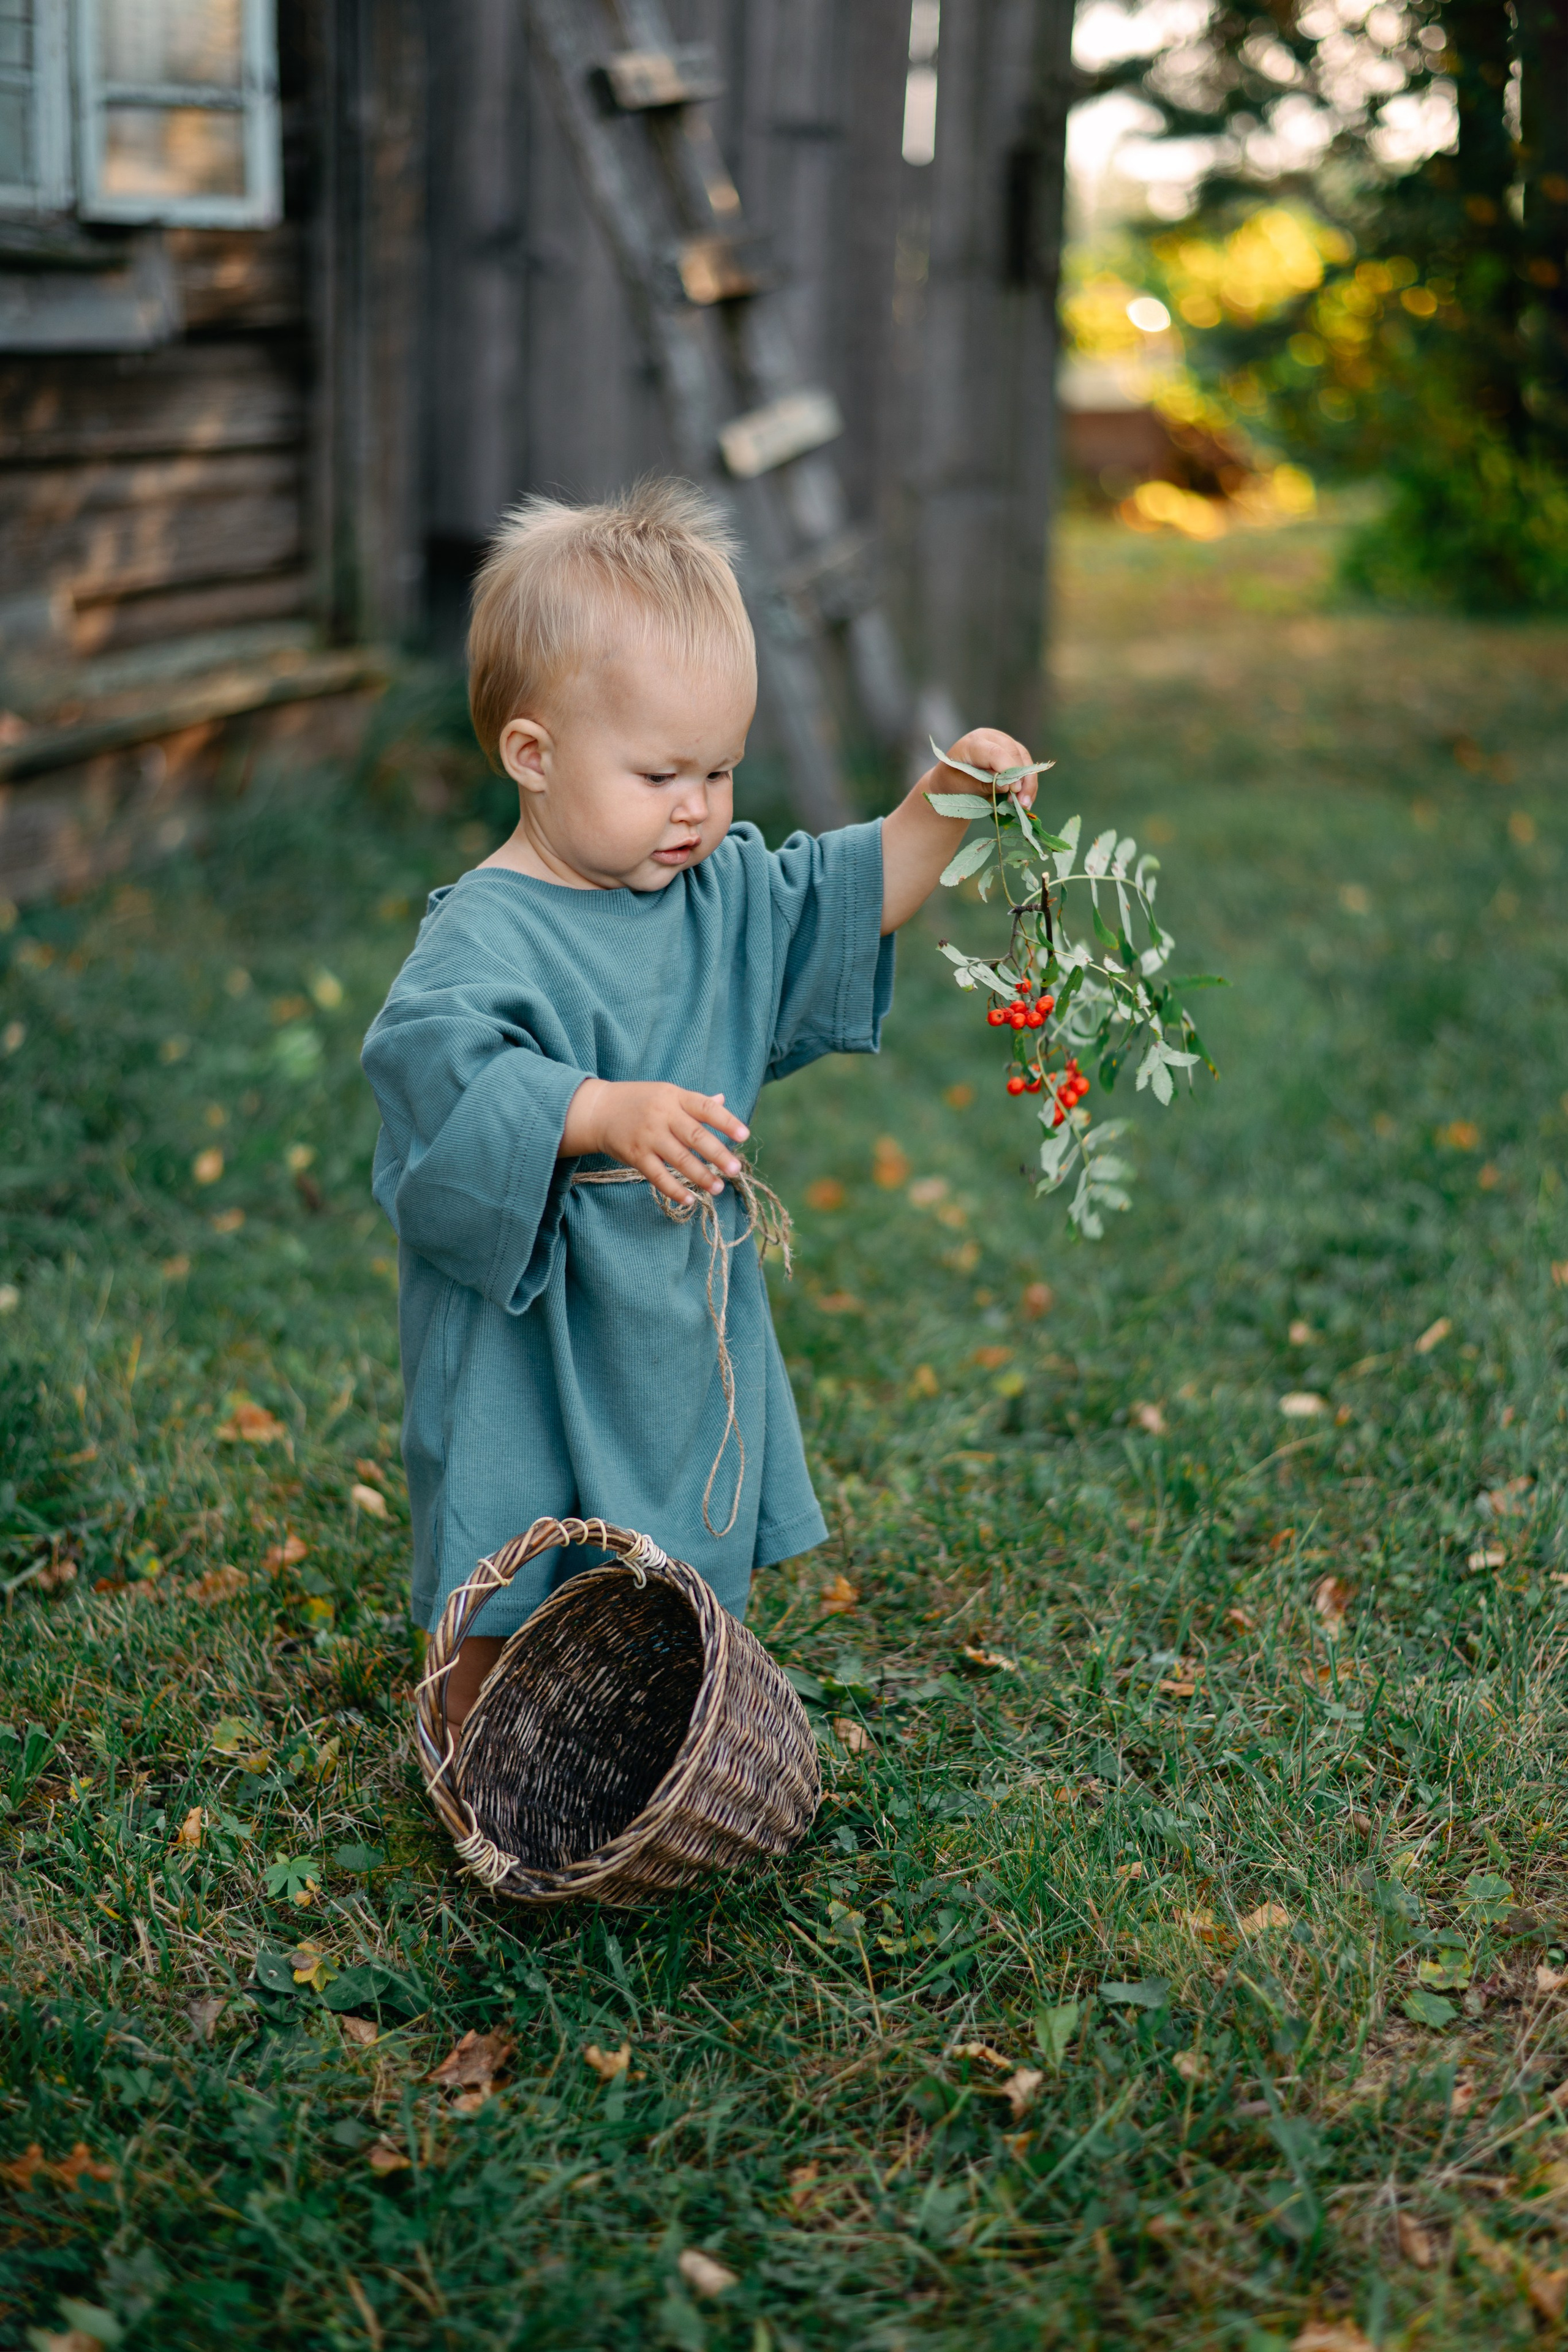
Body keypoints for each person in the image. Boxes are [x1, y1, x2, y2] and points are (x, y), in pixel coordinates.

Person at [361, 478, 1036, 1732]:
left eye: (720, 769)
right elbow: (434, 1074)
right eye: (662, 771)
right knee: (510, 1522)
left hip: (670, 1307)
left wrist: (947, 797)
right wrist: (594, 1113)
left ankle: (658, 1715)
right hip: (532, 1320)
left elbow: (843, 894)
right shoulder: (485, 933)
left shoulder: (710, 892)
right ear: (532, 754)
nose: (698, 806)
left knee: (680, 1501)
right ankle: (474, 1746)